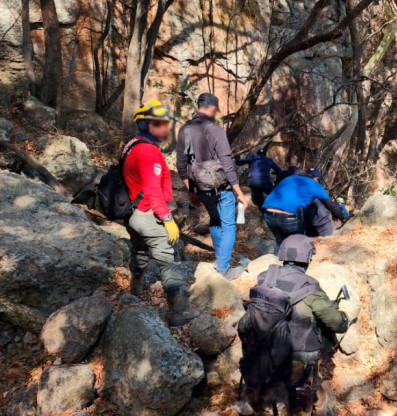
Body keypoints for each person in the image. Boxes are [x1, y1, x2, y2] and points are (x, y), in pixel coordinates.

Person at [247, 235, 358, 416]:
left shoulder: (266, 278)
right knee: (304, 402)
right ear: (307, 259)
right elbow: (337, 323)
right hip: (297, 355)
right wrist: (344, 317)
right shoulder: (309, 288)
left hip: (262, 350)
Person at [123, 99, 201, 327]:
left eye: (165, 123)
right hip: (148, 213)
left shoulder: (132, 145)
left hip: (133, 213)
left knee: (139, 250)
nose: (164, 128)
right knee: (169, 261)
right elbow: (152, 189)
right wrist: (167, 219)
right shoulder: (148, 152)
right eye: (158, 124)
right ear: (145, 125)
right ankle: (178, 314)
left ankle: (135, 289)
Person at [177, 93, 249, 280]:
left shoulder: (184, 131)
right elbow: (227, 163)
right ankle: (223, 269)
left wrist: (191, 191)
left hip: (201, 188)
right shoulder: (216, 130)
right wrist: (239, 192)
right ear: (211, 108)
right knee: (229, 226)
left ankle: (221, 260)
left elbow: (182, 166)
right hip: (221, 188)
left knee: (215, 221)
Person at [262, 171, 346, 253]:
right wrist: (342, 216)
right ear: (316, 179)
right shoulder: (315, 185)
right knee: (296, 243)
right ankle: (293, 264)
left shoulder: (291, 178)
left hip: (268, 214)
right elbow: (330, 205)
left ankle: (276, 262)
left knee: (280, 242)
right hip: (288, 217)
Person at [304, 168, 334, 237]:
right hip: (310, 229)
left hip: (323, 229)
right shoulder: (319, 190)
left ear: (317, 179)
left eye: (309, 177)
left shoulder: (318, 191)